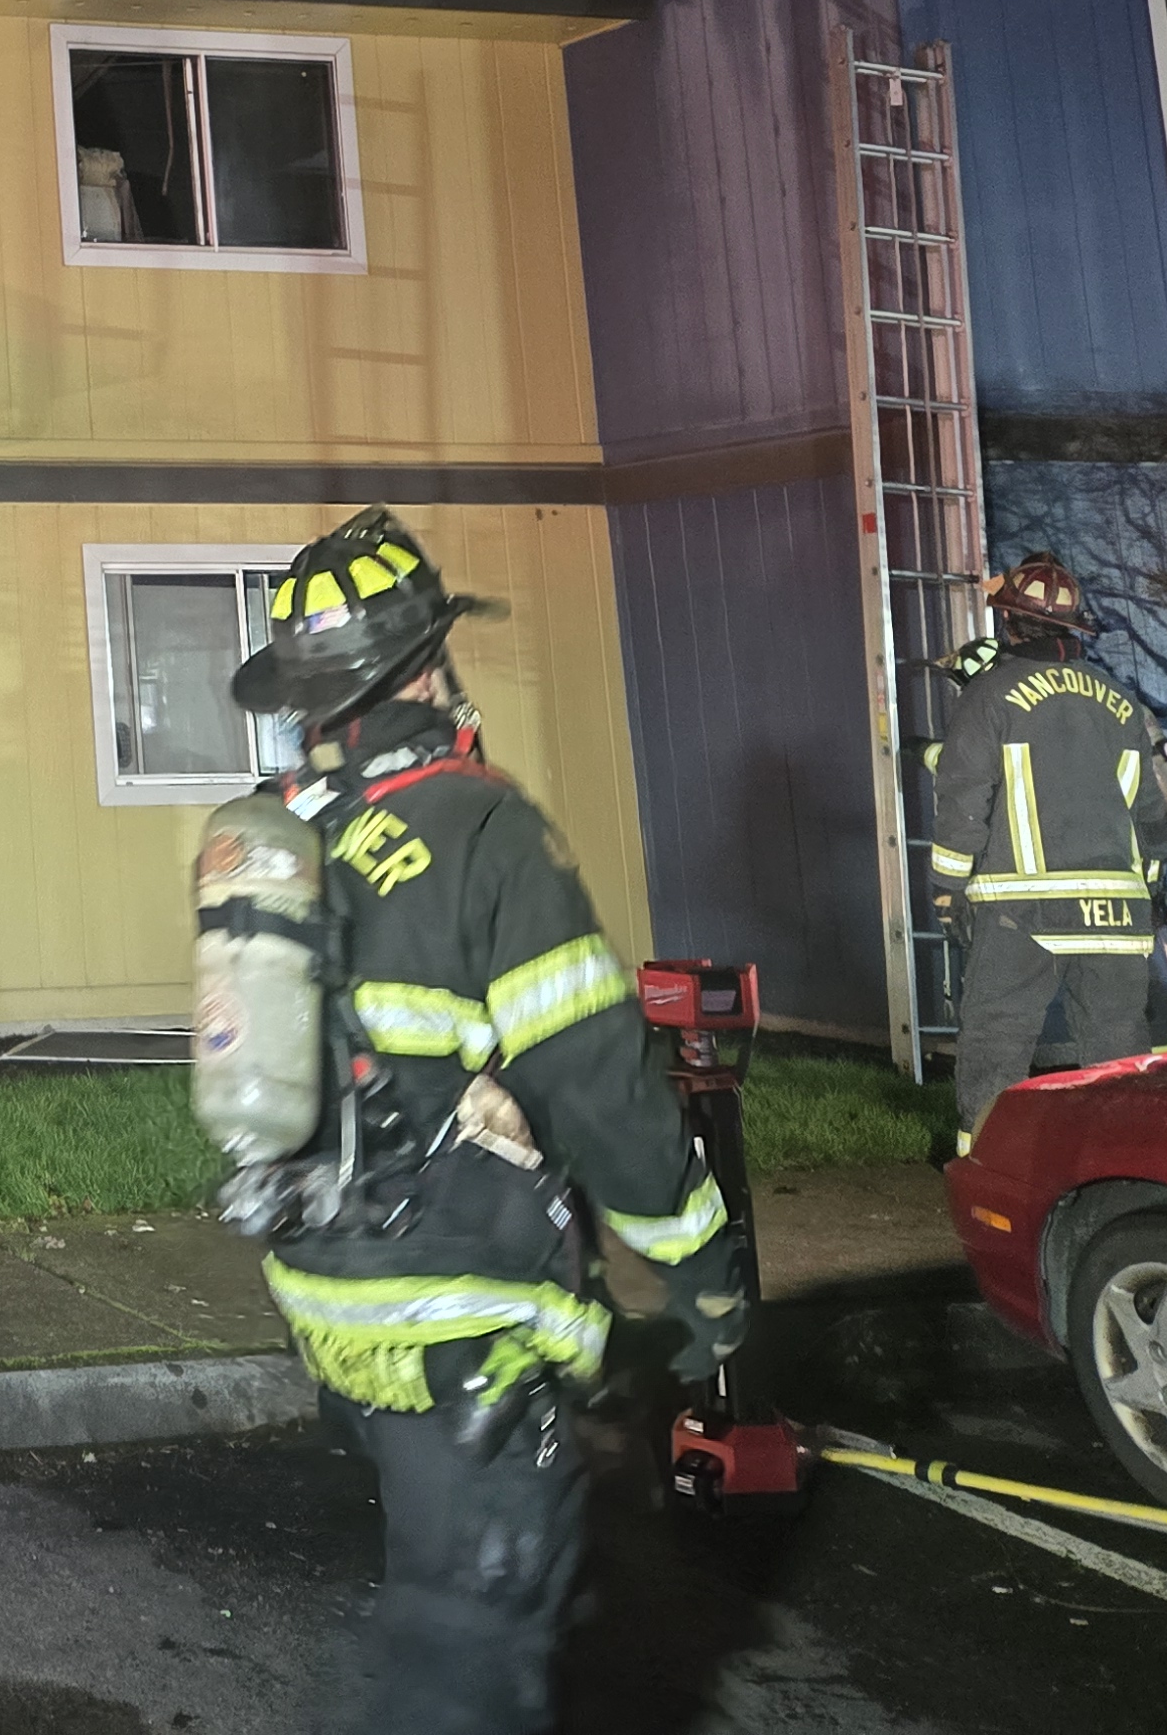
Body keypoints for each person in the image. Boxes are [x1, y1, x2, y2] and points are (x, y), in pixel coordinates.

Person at [219, 509, 748, 1735]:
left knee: (458, 1596)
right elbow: (601, 1086)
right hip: (466, 1320)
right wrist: (705, 1279)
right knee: (469, 1653)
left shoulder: (280, 834)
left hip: (332, 1298)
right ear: (426, 666)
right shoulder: (480, 825)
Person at [930, 551, 1167, 1142]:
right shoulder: (1120, 701)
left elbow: (964, 801)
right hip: (1118, 912)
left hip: (1021, 910)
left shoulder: (989, 694)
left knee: (997, 1039)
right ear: (1076, 629)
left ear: (1009, 622)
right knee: (1119, 1052)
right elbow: (1152, 814)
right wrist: (1152, 886)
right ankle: (1126, 1165)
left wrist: (947, 890)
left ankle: (987, 1164)